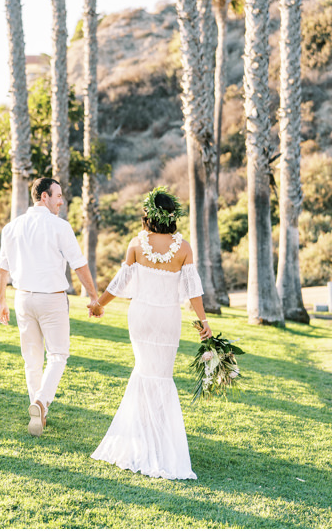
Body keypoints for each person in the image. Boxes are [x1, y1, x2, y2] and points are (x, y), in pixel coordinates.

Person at [89, 186, 213, 480]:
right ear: (173, 216)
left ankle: (142, 440)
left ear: (149, 214)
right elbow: (193, 291)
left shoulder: (136, 244)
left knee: (144, 372)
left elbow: (119, 284)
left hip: (141, 317)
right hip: (167, 319)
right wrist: (203, 321)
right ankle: (157, 441)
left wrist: (98, 305)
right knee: (161, 376)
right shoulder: (183, 249)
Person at [0, 177, 101, 436]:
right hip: (51, 299)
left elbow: (3, 267)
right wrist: (93, 296)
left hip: (22, 298)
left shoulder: (11, 227)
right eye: (58, 196)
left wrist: (1, 301)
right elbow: (79, 264)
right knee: (58, 355)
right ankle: (41, 403)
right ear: (44, 196)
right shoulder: (60, 227)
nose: (61, 201)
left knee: (31, 359)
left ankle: (38, 413)